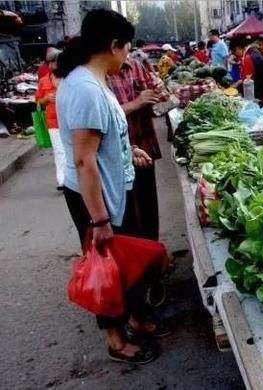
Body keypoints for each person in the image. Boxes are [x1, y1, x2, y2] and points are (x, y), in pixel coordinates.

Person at [55, 9, 166, 365]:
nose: (128, 56)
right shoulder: (86, 88)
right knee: (107, 268)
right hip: (98, 199)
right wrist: (99, 220)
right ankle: (116, 340)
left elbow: (101, 141)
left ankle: (133, 318)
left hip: (113, 190)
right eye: (127, 48)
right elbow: (84, 160)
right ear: (113, 45)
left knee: (125, 263)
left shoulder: (94, 79)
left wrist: (126, 149)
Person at [107, 57, 164, 240]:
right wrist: (137, 103)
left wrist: (158, 95)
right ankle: (138, 258)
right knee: (128, 212)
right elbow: (105, 116)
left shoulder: (136, 66)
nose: (127, 51)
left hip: (144, 143)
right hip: (119, 153)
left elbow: (155, 99)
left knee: (148, 204)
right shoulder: (99, 75)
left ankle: (154, 252)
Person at [35, 48, 65, 190]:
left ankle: (75, 179)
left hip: (70, 121)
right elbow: (38, 103)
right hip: (53, 122)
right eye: (52, 62)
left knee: (71, 151)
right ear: (49, 64)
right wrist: (45, 99)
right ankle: (62, 181)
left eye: (57, 61)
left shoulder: (69, 78)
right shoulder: (43, 82)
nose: (55, 65)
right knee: (59, 151)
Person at [230, 38, 263, 106]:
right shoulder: (254, 51)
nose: (234, 55)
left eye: (234, 52)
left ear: (238, 48)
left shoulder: (247, 58)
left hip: (261, 95)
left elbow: (248, 81)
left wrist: (237, 85)